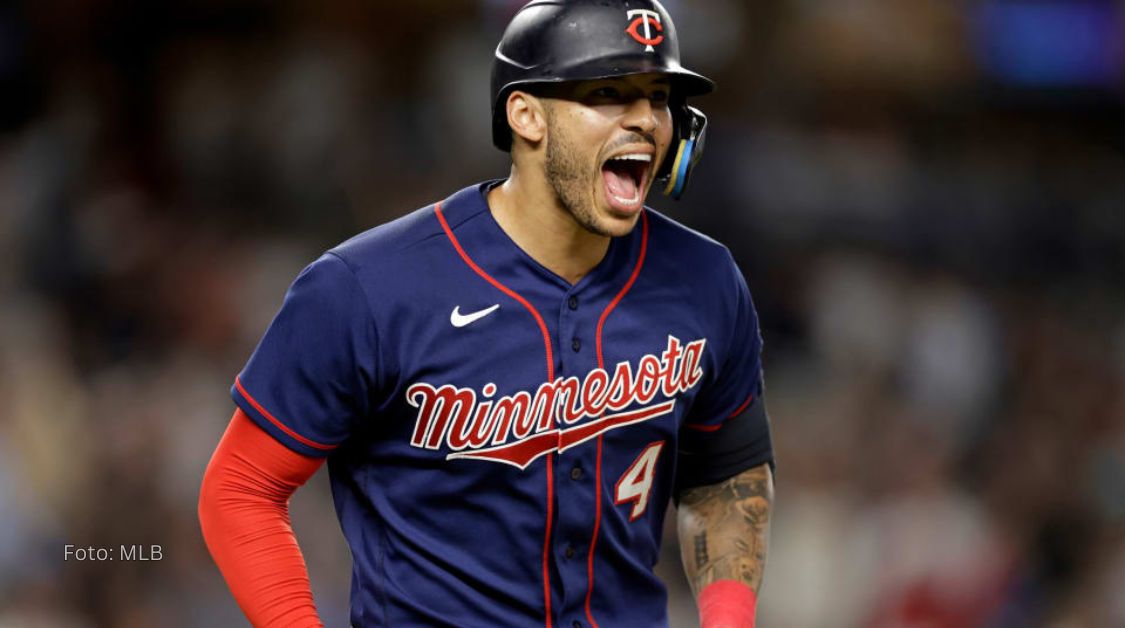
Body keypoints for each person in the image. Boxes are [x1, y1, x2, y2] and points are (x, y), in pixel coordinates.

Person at [197, 1, 774, 626]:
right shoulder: (367, 288)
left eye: (658, 97)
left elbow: (727, 476)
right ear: (525, 114)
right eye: (609, 93)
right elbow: (241, 490)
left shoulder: (705, 278)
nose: (645, 121)